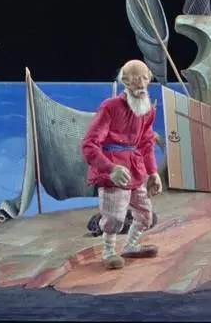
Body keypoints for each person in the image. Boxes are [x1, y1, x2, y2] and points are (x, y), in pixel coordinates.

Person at [81, 59, 163, 269]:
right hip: (114, 170)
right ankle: (109, 251)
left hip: (136, 170)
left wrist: (153, 173)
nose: (141, 84)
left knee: (145, 214)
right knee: (114, 217)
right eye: (135, 79)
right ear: (125, 81)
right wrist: (110, 168)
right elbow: (89, 144)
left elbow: (146, 143)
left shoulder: (148, 110)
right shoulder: (110, 107)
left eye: (145, 78)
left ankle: (131, 245)